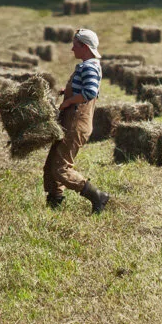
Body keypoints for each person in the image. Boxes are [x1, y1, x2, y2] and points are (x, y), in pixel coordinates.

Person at [44, 28, 111, 213]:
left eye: (75, 45)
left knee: (61, 167)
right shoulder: (87, 65)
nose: (72, 49)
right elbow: (83, 87)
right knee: (52, 164)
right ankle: (54, 203)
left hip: (76, 122)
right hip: (70, 120)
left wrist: (68, 102)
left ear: (85, 47)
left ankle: (97, 196)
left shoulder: (89, 66)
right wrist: (67, 92)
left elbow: (89, 92)